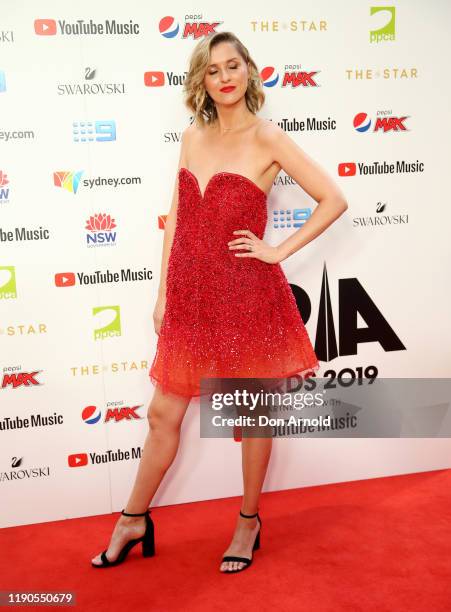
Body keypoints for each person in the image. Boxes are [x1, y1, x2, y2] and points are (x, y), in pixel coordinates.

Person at [91, 31, 348, 573]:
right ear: (202, 82)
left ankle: (248, 522)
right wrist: (164, 292)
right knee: (164, 415)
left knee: (251, 416)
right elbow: (178, 218)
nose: (225, 76)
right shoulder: (192, 136)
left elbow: (334, 198)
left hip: (246, 297)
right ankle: (132, 518)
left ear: (250, 72)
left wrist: (276, 251)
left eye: (234, 65)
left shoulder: (268, 138)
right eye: (213, 70)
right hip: (190, 298)